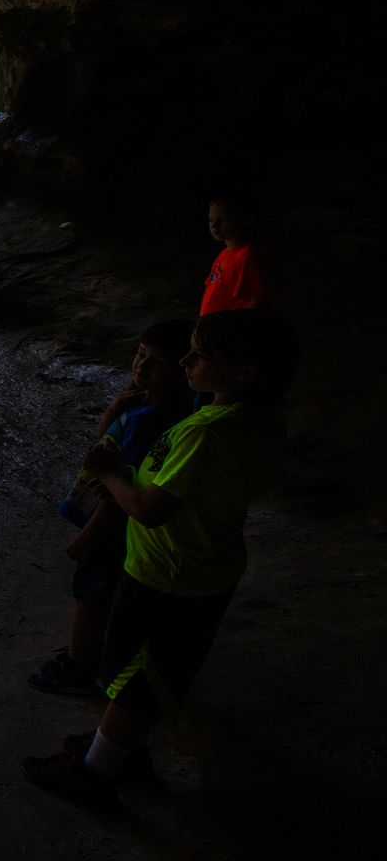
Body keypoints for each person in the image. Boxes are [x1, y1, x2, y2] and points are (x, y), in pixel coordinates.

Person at [23, 309, 297, 807]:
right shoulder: (254, 418)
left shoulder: (208, 433)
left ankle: (96, 774)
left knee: (137, 677)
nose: (186, 361)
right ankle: (119, 748)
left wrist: (110, 474)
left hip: (168, 575)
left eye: (199, 355)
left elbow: (148, 510)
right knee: (143, 672)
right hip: (202, 567)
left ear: (245, 372)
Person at [27, 320, 196, 696]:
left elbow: (119, 485)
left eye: (156, 364)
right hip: (124, 522)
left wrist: (89, 534)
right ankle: (96, 651)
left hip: (113, 522)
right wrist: (116, 408)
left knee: (91, 591)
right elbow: (107, 439)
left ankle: (79, 664)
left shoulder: (153, 419)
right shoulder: (146, 404)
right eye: (139, 356)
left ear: (185, 373)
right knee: (107, 590)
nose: (141, 368)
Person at [201, 193, 266, 314]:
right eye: (211, 219)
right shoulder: (223, 255)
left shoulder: (246, 257)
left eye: (223, 220)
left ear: (245, 220)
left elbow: (257, 301)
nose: (214, 226)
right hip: (212, 328)